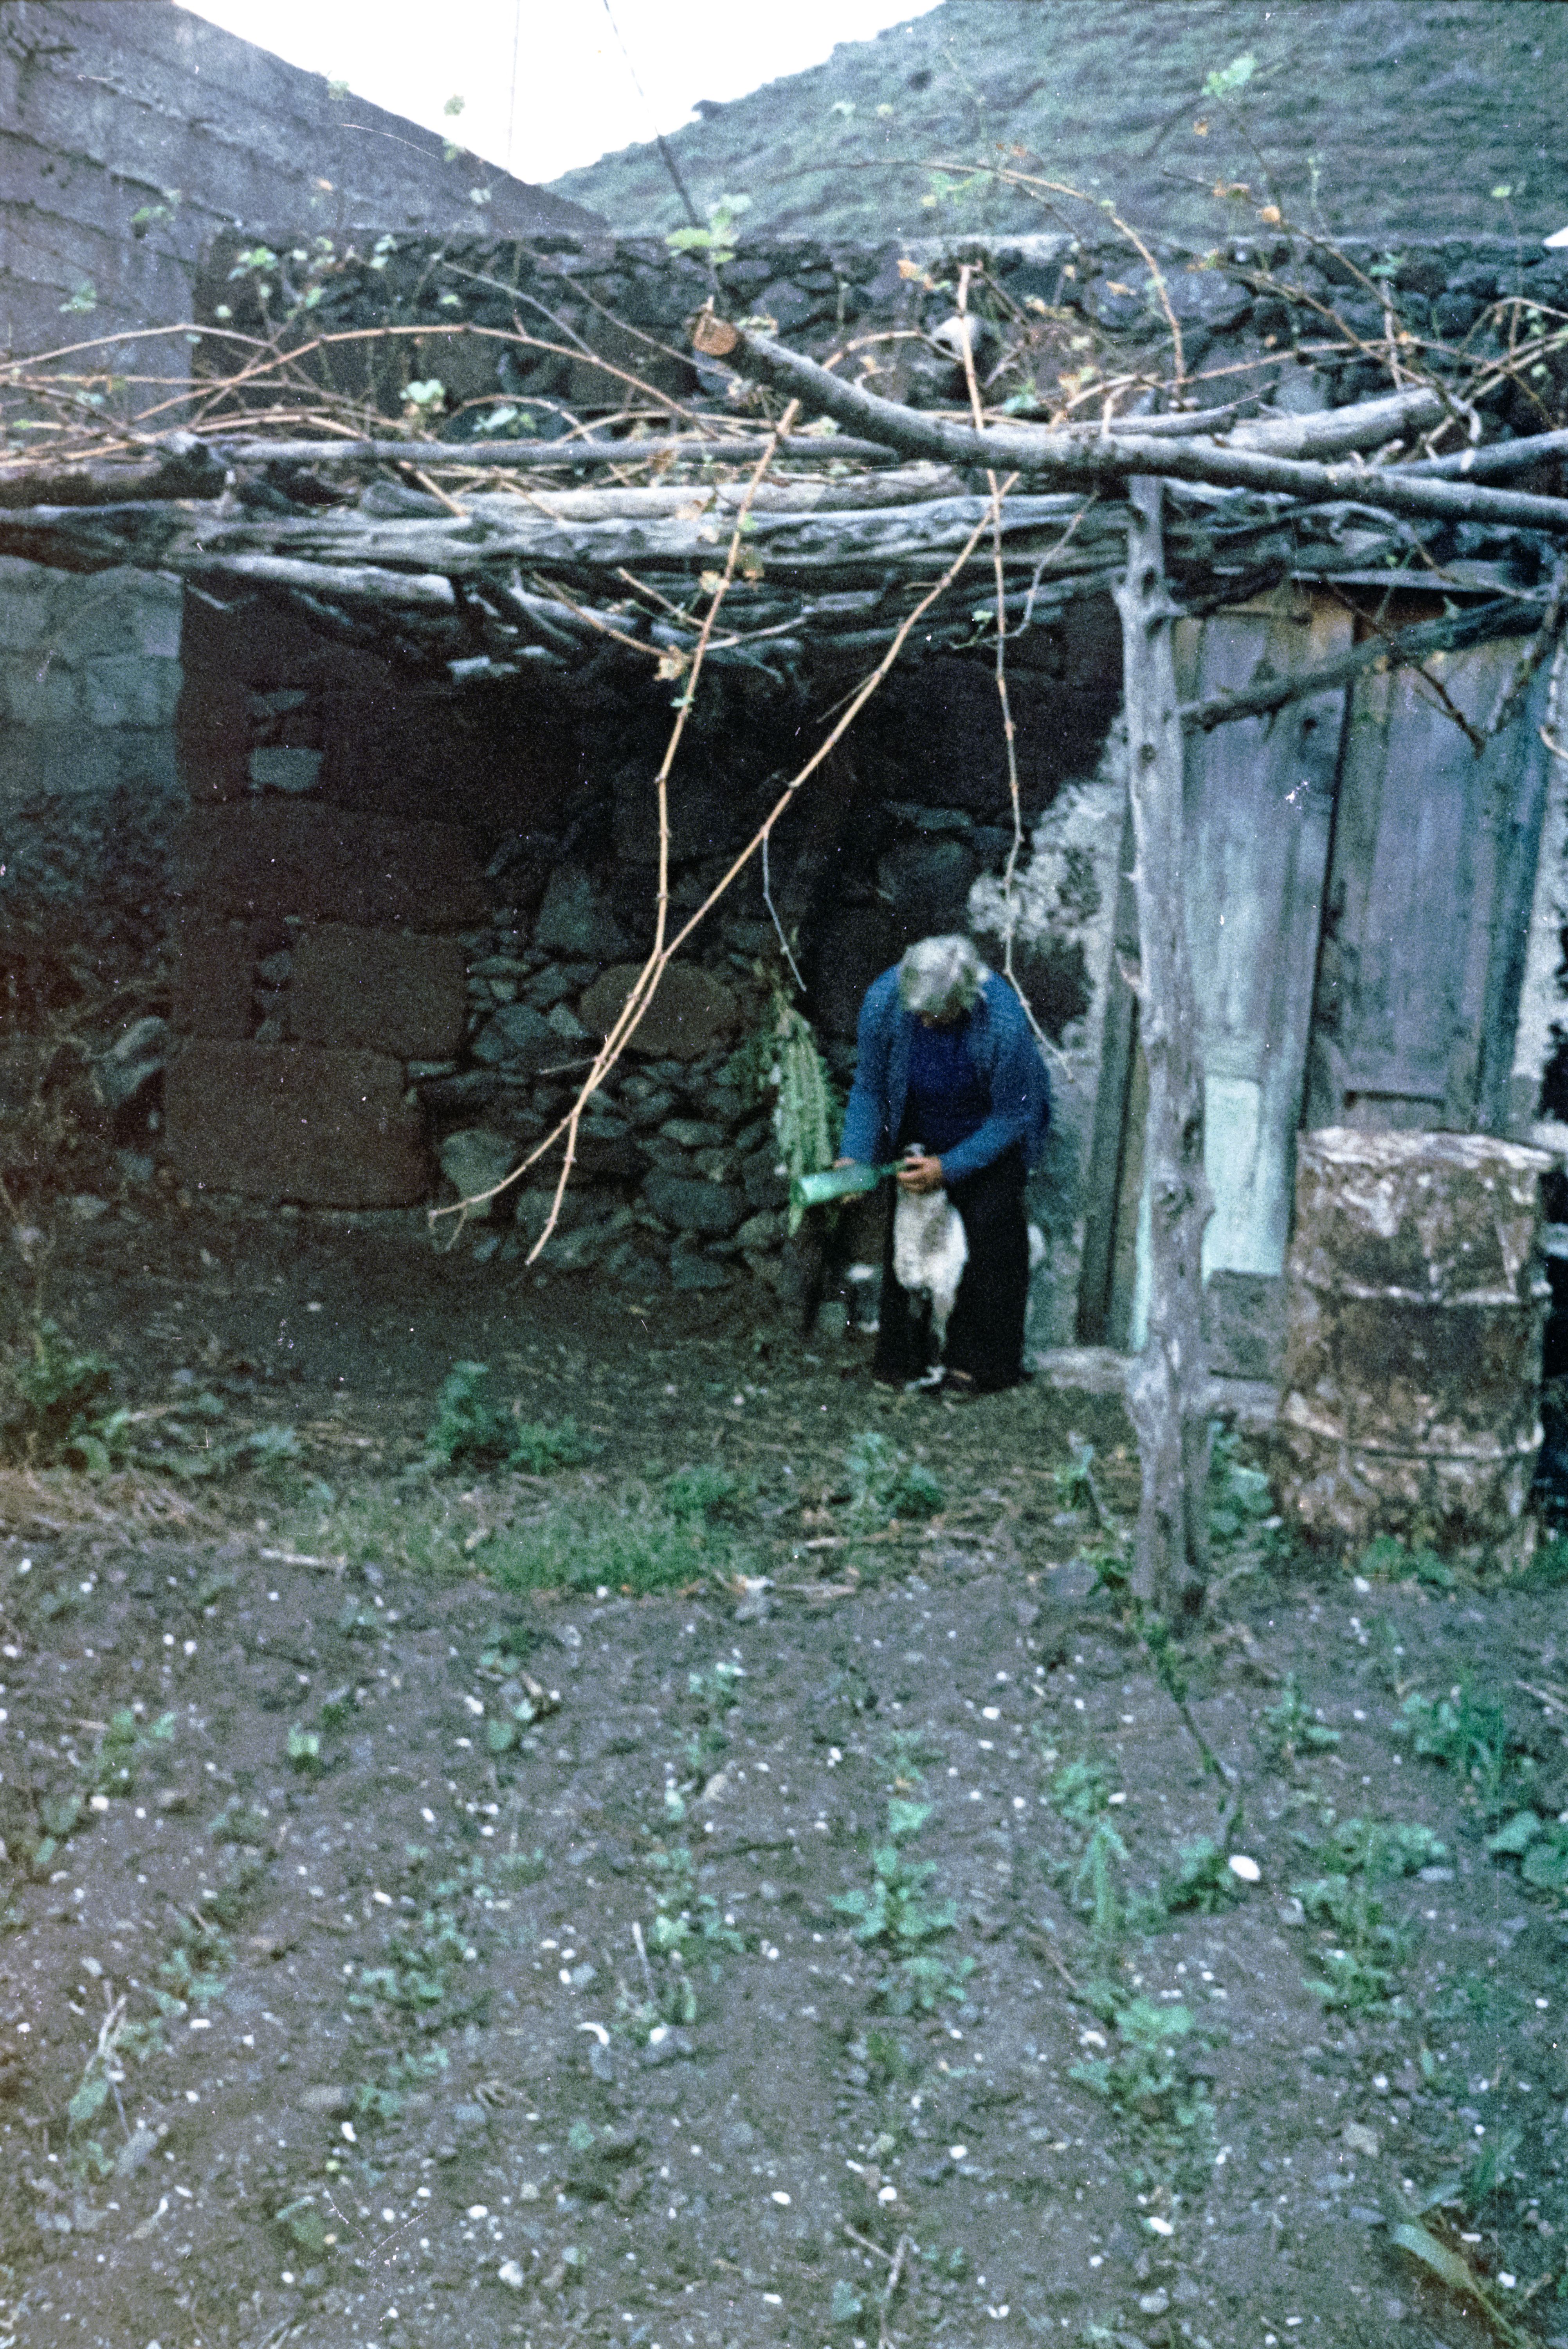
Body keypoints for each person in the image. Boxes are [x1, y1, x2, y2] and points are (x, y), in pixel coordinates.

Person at [838, 934, 1051, 1393]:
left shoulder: (1003, 1021)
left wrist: (949, 1167)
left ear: (967, 998)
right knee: (910, 1235)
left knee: (992, 1234)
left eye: (937, 1014)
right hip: (921, 1124)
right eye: (918, 1014)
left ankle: (976, 1367)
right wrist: (854, 1154)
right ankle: (903, 1360)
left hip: (989, 1130)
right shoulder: (885, 1001)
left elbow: (1013, 1116)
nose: (926, 1023)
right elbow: (870, 1087)